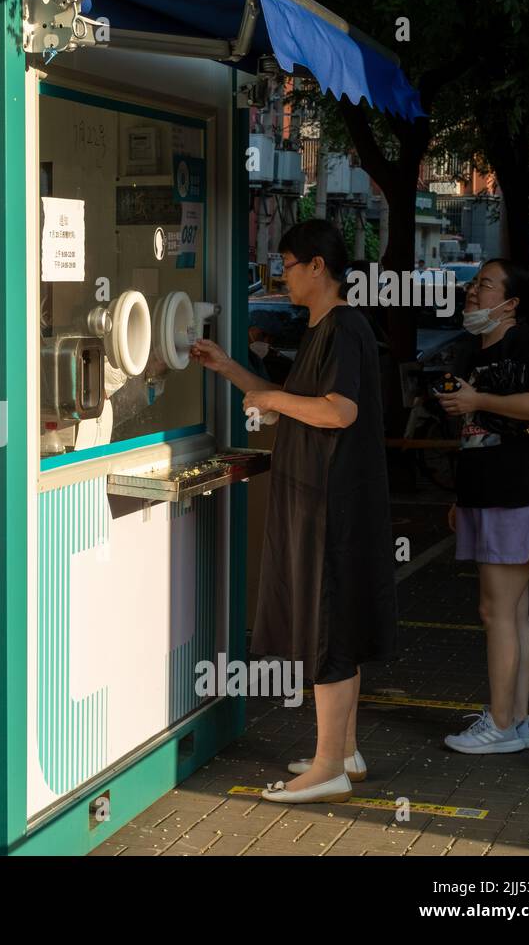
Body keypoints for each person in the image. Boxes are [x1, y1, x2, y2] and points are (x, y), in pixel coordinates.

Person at [191, 219, 397, 804]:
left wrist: (273, 398)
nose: (280, 274)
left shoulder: (345, 327)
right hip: (320, 498)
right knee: (337, 627)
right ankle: (345, 751)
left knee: (327, 628)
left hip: (330, 504)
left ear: (317, 267)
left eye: (286, 263)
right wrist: (229, 367)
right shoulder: (322, 328)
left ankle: (328, 767)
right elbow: (296, 402)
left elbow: (338, 411)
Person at [435, 259, 529, 753]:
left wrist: (479, 400)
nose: (472, 291)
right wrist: (459, 498)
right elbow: (472, 432)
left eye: (485, 285)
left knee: (496, 611)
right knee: (513, 612)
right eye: (473, 283)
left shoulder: (525, 343)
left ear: (511, 303)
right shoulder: (473, 350)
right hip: (484, 495)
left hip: (516, 493)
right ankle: (518, 721)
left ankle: (502, 725)